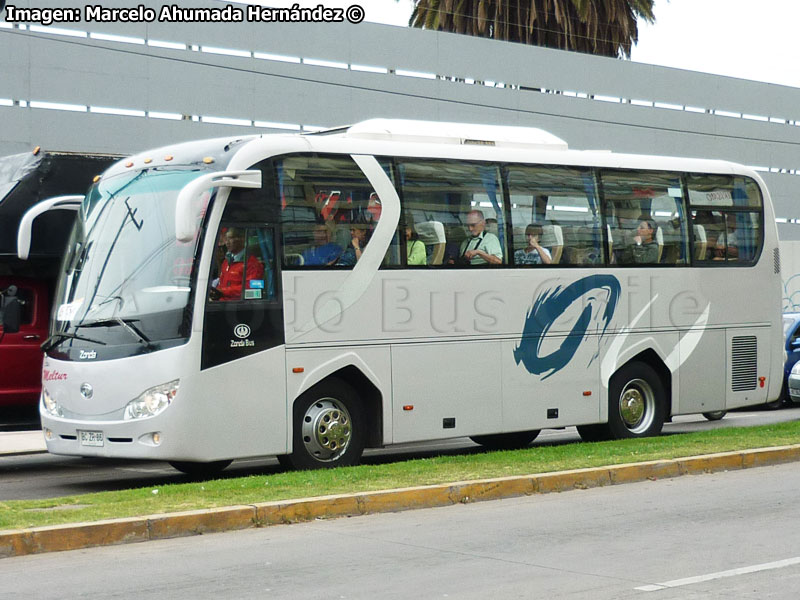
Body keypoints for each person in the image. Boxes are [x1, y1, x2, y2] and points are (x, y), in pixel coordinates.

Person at [210, 227, 264, 301]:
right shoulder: (226, 261)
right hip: (222, 303)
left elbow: (252, 289)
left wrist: (223, 291)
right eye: (226, 239)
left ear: (242, 239)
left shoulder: (252, 263)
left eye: (231, 238)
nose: (227, 242)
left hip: (237, 306)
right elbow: (221, 284)